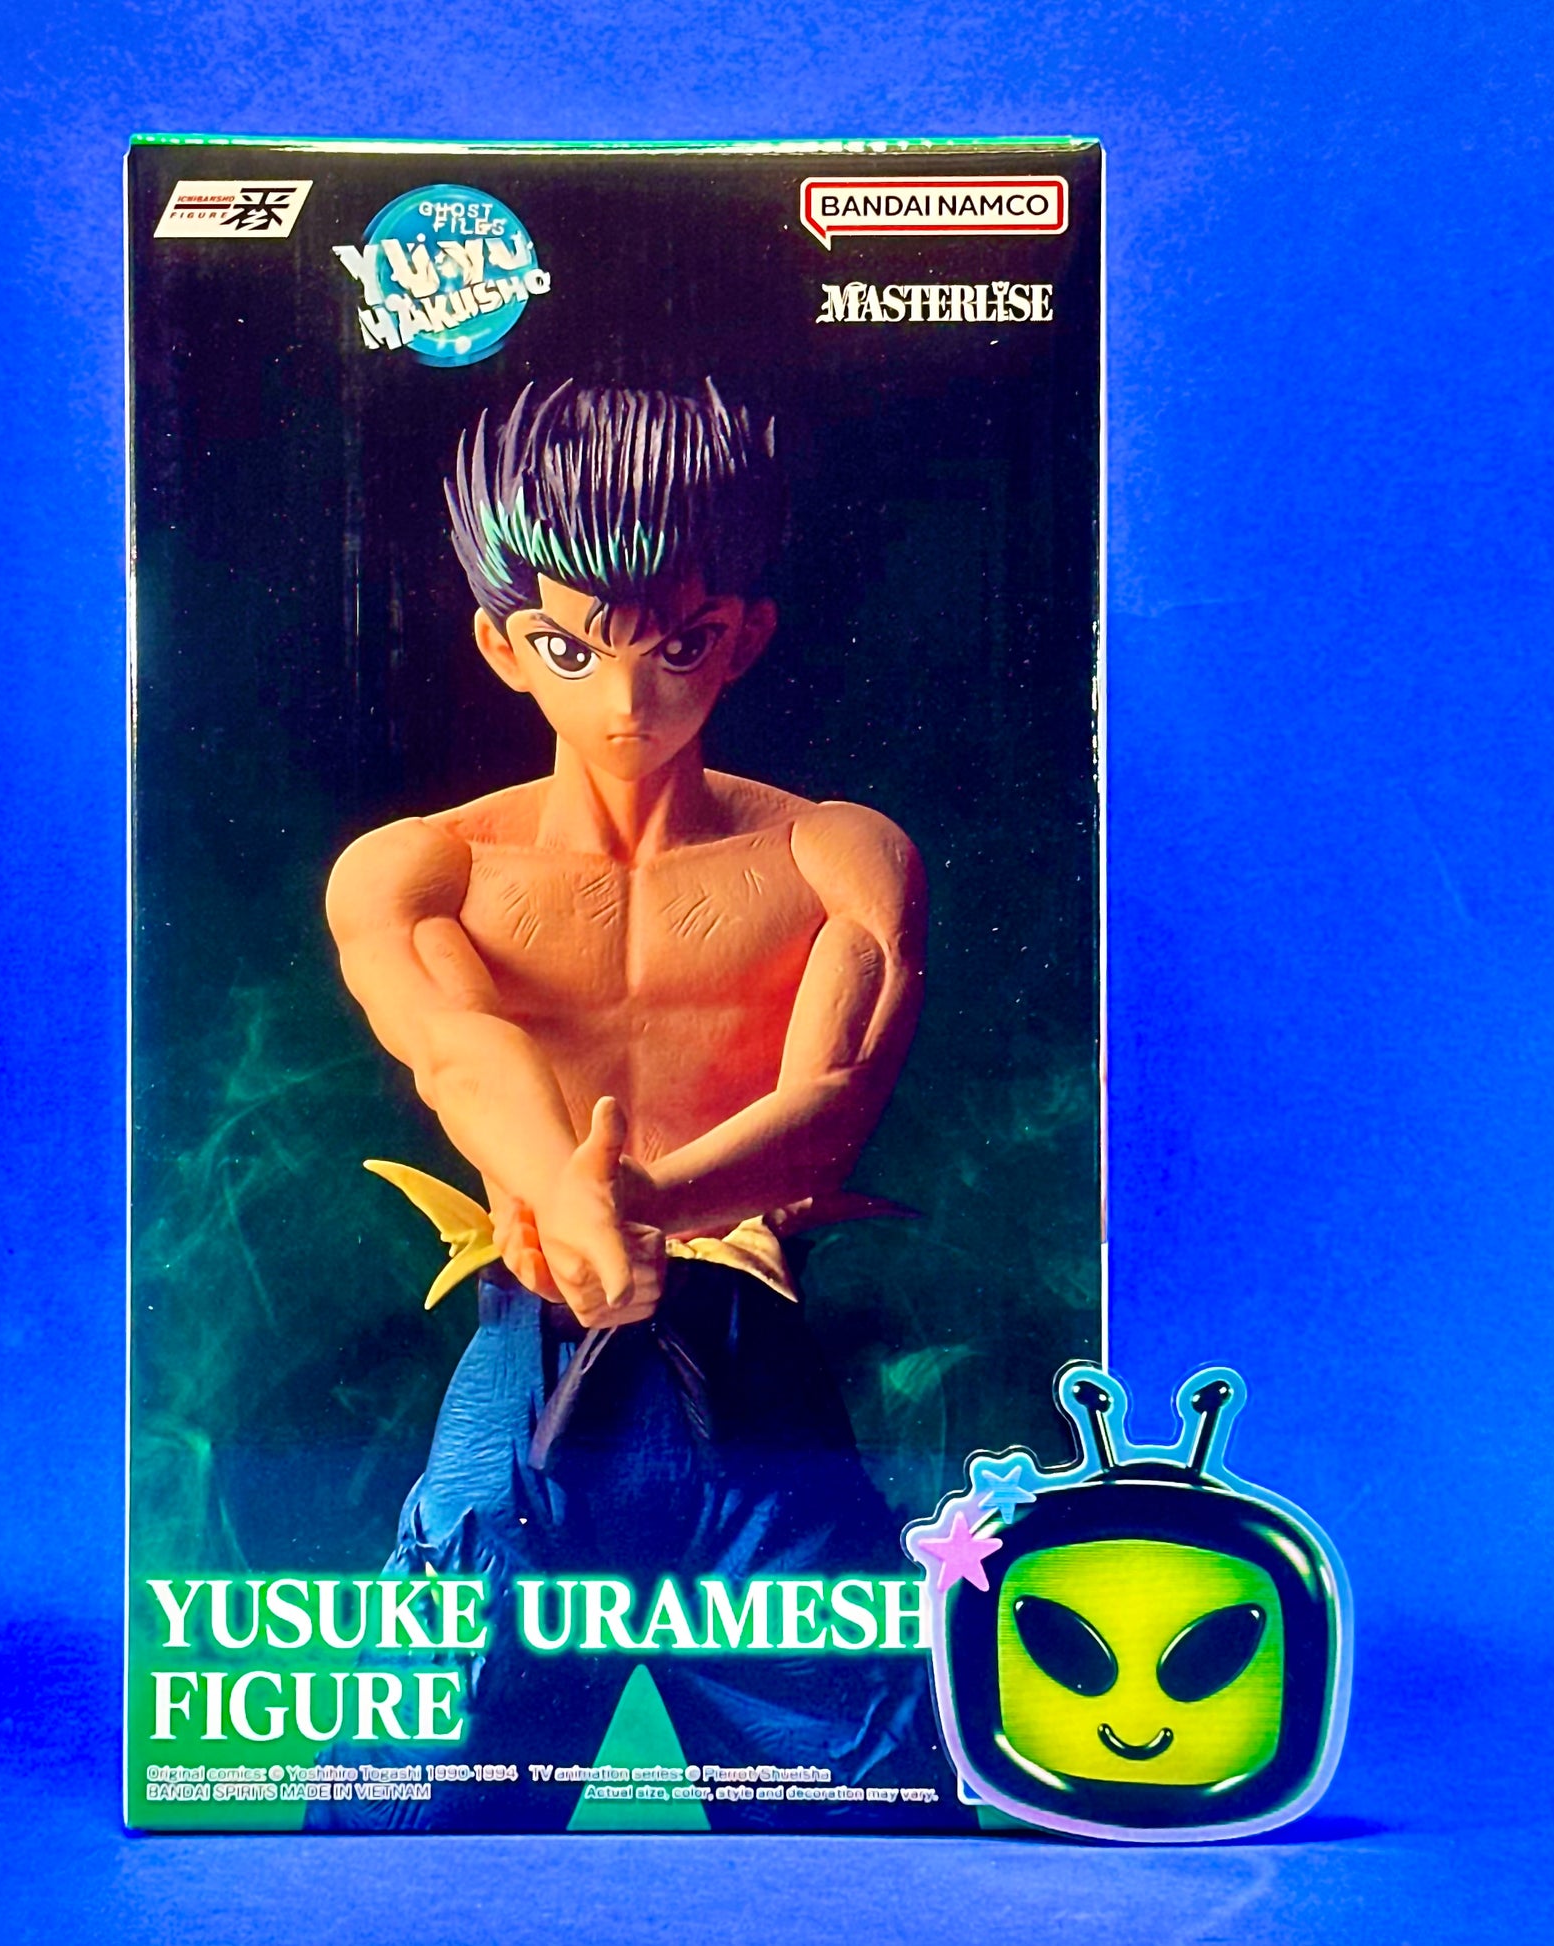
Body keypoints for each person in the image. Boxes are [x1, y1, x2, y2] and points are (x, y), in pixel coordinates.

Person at [323, 380, 943, 1828]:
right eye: (569, 647)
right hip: (532, 1340)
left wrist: (648, 1199)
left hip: (745, 1342)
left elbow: (832, 1095)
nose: (625, 702)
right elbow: (454, 1046)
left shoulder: (837, 853)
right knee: (406, 1795)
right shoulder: (422, 868)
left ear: (743, 635)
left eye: (677, 647)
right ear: (501, 645)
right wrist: (563, 1189)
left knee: (859, 1807)